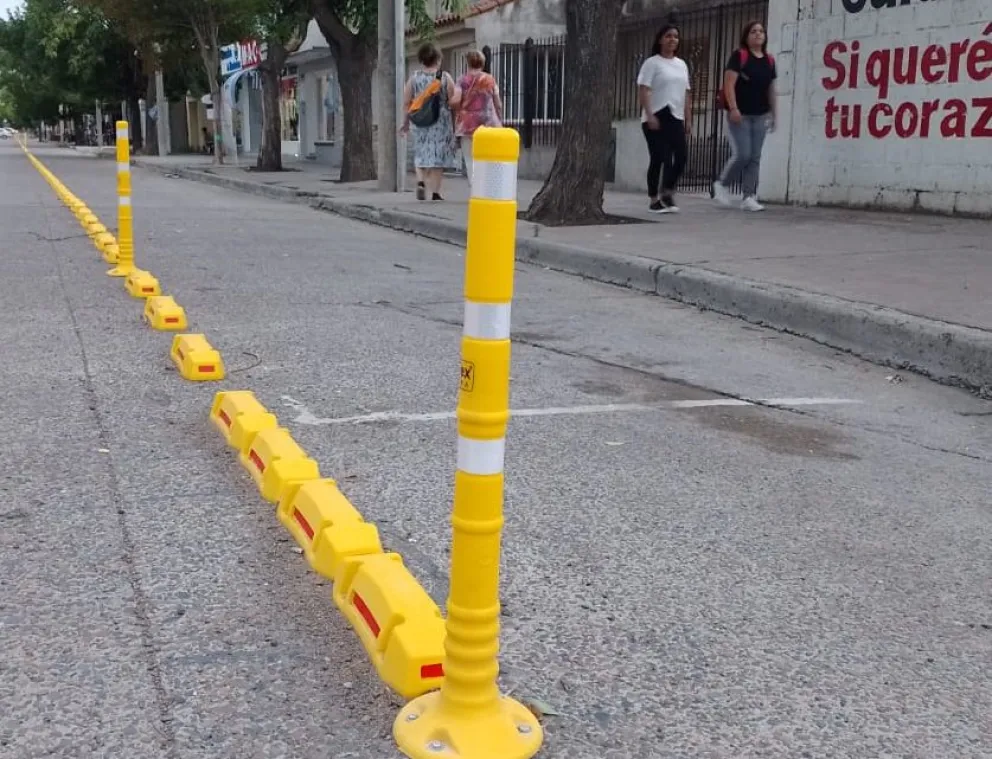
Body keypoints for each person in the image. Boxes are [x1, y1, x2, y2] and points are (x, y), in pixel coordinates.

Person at [713, 20, 778, 212]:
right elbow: (729, 84)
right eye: (753, 31)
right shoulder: (739, 56)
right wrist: (733, 108)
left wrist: (775, 115)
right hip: (740, 115)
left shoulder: (769, 61)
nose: (758, 34)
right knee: (743, 154)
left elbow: (771, 90)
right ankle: (722, 184)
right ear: (746, 36)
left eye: (761, 31)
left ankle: (749, 197)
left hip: (760, 115)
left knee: (755, 157)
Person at [637, 23, 693, 214]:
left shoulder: (682, 65)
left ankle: (667, 190)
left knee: (681, 156)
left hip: (675, 116)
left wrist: (688, 119)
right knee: (659, 157)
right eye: (668, 36)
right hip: (656, 115)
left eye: (675, 37)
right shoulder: (652, 63)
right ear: (660, 39)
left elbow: (686, 93)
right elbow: (643, 89)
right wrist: (649, 114)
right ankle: (654, 199)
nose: (672, 40)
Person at [401, 43, 460, 201]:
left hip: (420, 120)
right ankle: (435, 192)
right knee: (437, 156)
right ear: (438, 59)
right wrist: (455, 124)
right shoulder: (445, 77)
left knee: (420, 153)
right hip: (440, 120)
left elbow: (407, 102)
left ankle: (420, 181)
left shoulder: (414, 78)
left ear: (422, 59)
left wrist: (405, 123)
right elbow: (453, 101)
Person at [455, 50, 503, 189]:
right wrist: (499, 119)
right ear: (483, 63)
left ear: (468, 63)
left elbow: (456, 100)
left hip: (467, 125)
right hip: (489, 124)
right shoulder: (490, 79)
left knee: (471, 159)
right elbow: (498, 103)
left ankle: (476, 188)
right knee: (488, 157)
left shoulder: (462, 80)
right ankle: (488, 187)